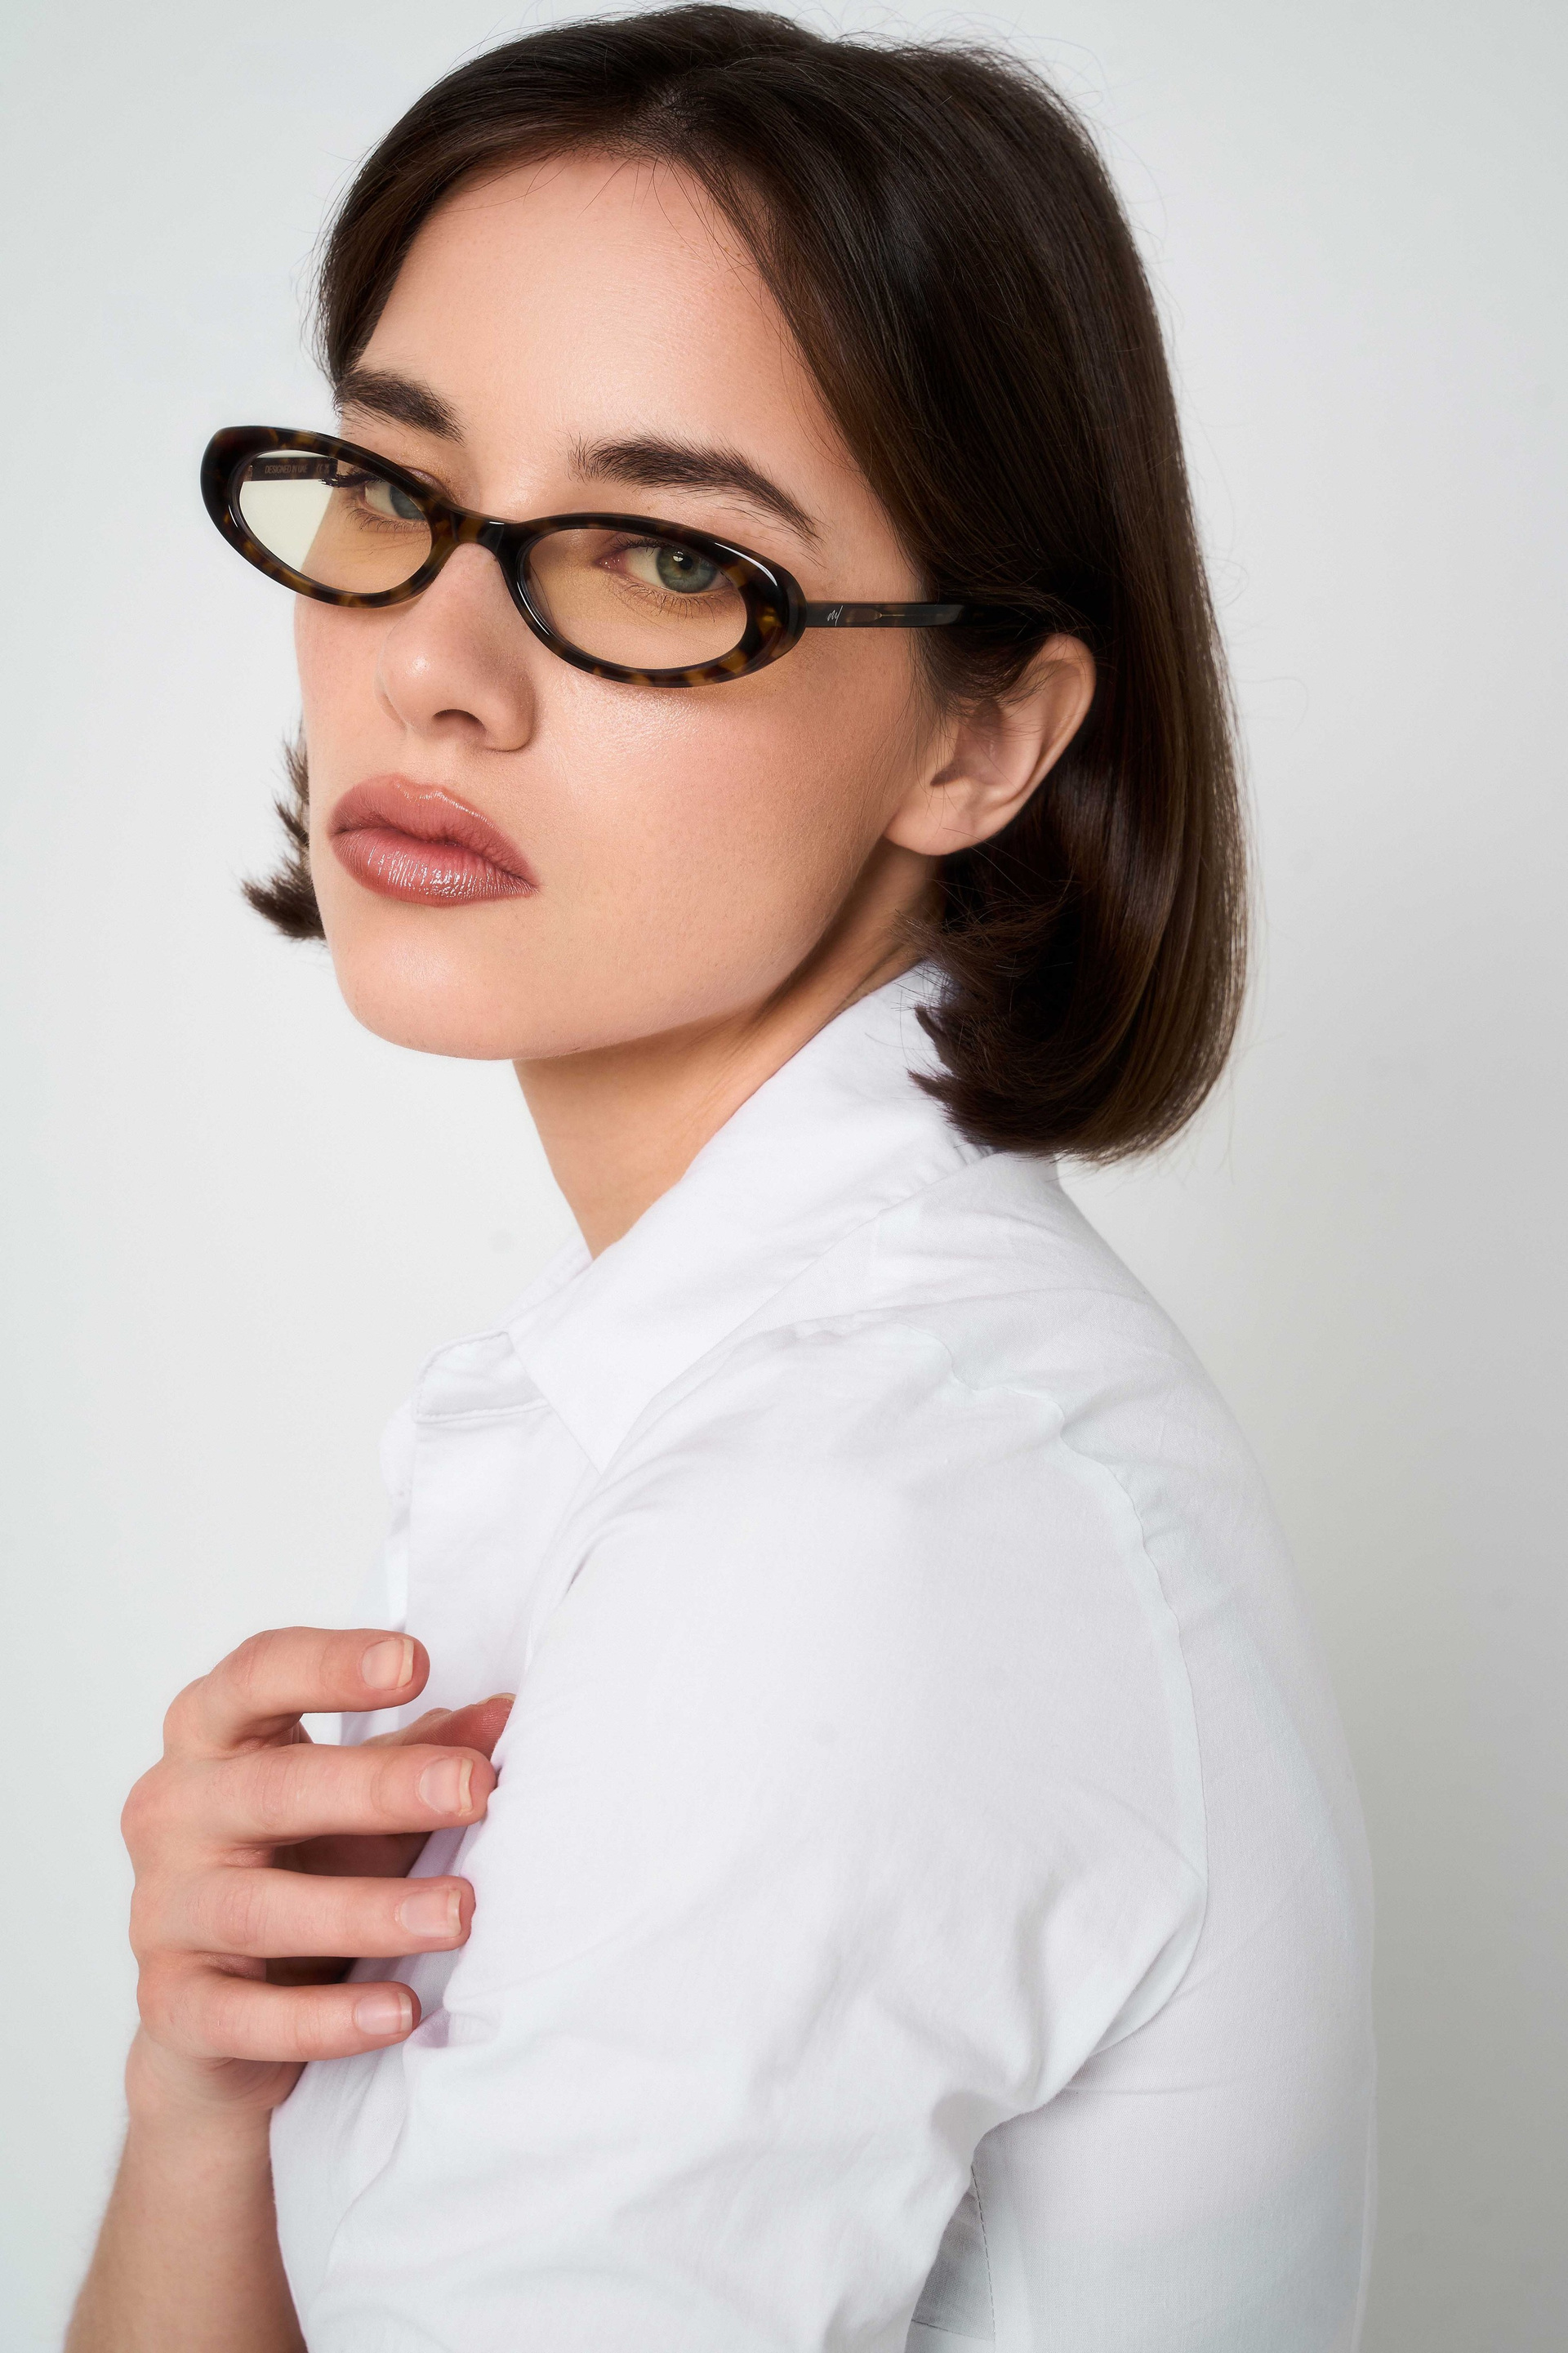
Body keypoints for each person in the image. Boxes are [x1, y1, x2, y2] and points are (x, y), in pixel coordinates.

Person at [67, 10, 1375, 2348]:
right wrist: (204, 2106)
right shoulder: (725, 1403)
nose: (436, 666)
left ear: (981, 733)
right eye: (388, 488)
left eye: (670, 555)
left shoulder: (856, 1515)